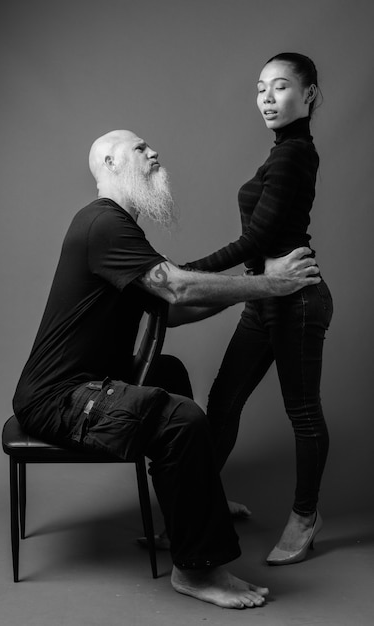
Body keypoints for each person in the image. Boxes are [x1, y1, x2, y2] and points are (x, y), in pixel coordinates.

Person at [13, 128, 320, 608]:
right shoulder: (101, 223)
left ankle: (199, 505)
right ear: (111, 164)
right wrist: (269, 286)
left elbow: (171, 309)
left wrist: (257, 282)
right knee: (181, 419)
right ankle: (196, 572)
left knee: (170, 374)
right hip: (60, 397)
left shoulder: (119, 230)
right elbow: (177, 289)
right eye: (140, 149)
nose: (154, 152)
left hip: (91, 383)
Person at [184, 53, 333, 565]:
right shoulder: (282, 153)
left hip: (296, 302)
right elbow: (260, 244)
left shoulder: (294, 154)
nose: (267, 99)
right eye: (260, 89)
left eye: (282, 87)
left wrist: (185, 272)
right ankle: (202, 508)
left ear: (309, 94)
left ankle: (305, 516)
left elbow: (260, 238)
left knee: (303, 412)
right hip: (264, 298)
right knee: (223, 404)